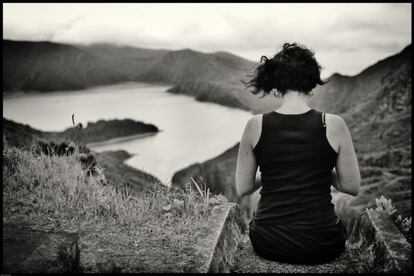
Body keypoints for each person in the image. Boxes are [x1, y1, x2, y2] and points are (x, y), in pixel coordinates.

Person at [235, 42, 361, 264]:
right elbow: (351, 186)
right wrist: (318, 170)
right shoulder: (334, 124)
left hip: (268, 240)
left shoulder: (255, 125)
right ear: (312, 84)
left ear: (277, 84)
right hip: (322, 242)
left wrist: (277, 172)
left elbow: (243, 187)